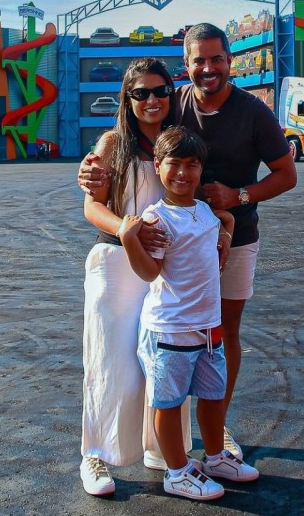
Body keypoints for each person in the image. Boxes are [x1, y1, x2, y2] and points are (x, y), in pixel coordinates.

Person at [80, 22, 297, 464]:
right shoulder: (169, 108)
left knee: (213, 338)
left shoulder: (252, 112)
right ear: (187, 66)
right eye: (199, 60)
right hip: (158, 252)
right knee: (146, 351)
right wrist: (89, 173)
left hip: (221, 240)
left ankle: (207, 435)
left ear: (230, 62)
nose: (208, 68)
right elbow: (105, 173)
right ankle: (128, 450)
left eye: (217, 59)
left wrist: (236, 204)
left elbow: (286, 174)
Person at [118, 126, 259, 501]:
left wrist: (227, 234)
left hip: (208, 328)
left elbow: (224, 222)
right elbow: (150, 272)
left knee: (212, 398)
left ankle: (214, 459)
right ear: (159, 166)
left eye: (192, 165)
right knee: (169, 402)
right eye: (174, 164)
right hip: (171, 330)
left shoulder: (203, 211)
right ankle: (177, 473)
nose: (183, 173)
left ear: (201, 170)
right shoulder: (157, 218)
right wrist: (129, 238)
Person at [78, 57, 188, 496]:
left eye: (160, 90)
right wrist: (123, 226)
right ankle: (96, 456)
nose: (152, 100)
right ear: (127, 99)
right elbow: (91, 206)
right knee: (112, 360)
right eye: (140, 92)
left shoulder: (181, 142)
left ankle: (164, 449)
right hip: (116, 263)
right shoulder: (111, 143)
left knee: (168, 360)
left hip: (168, 267)